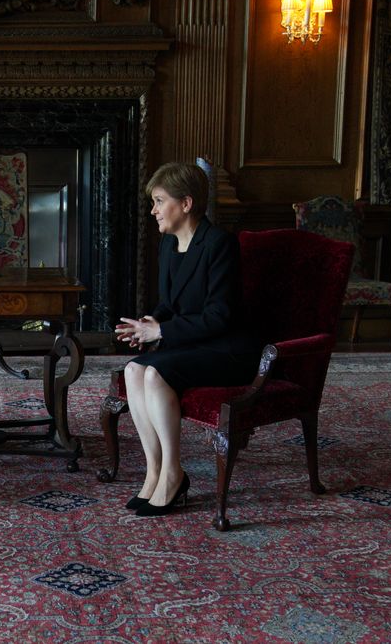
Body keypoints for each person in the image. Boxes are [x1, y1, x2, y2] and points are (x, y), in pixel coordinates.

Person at [114, 162, 260, 517]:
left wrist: (161, 332)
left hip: (228, 349)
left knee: (153, 375)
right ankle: (155, 472)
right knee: (133, 370)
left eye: (160, 201)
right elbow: (170, 303)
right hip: (192, 344)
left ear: (187, 204)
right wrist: (150, 323)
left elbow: (219, 316)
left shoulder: (219, 244)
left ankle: (174, 473)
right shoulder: (168, 245)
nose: (153, 210)